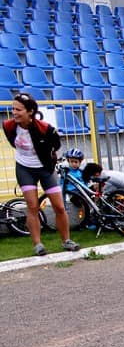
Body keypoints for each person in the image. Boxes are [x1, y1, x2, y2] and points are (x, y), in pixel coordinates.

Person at [3, 92, 79, 255]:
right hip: (25, 169)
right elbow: (13, 142)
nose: (14, 112)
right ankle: (38, 245)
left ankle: (66, 241)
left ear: (30, 111)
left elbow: (56, 145)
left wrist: (47, 156)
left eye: (18, 110)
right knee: (32, 206)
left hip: (45, 169)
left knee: (59, 206)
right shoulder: (8, 126)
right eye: (13, 109)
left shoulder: (44, 128)